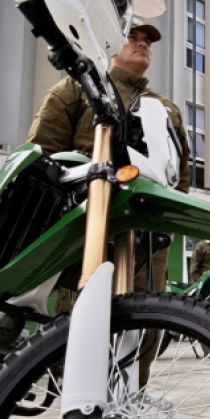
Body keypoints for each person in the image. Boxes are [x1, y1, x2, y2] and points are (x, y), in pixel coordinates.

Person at [27, 20, 191, 293]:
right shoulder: (77, 89)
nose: (142, 44)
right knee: (84, 308)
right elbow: (42, 157)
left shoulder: (167, 109)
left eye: (147, 42)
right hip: (87, 220)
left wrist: (166, 223)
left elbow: (180, 180)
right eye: (133, 37)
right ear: (111, 44)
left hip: (147, 230)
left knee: (148, 314)